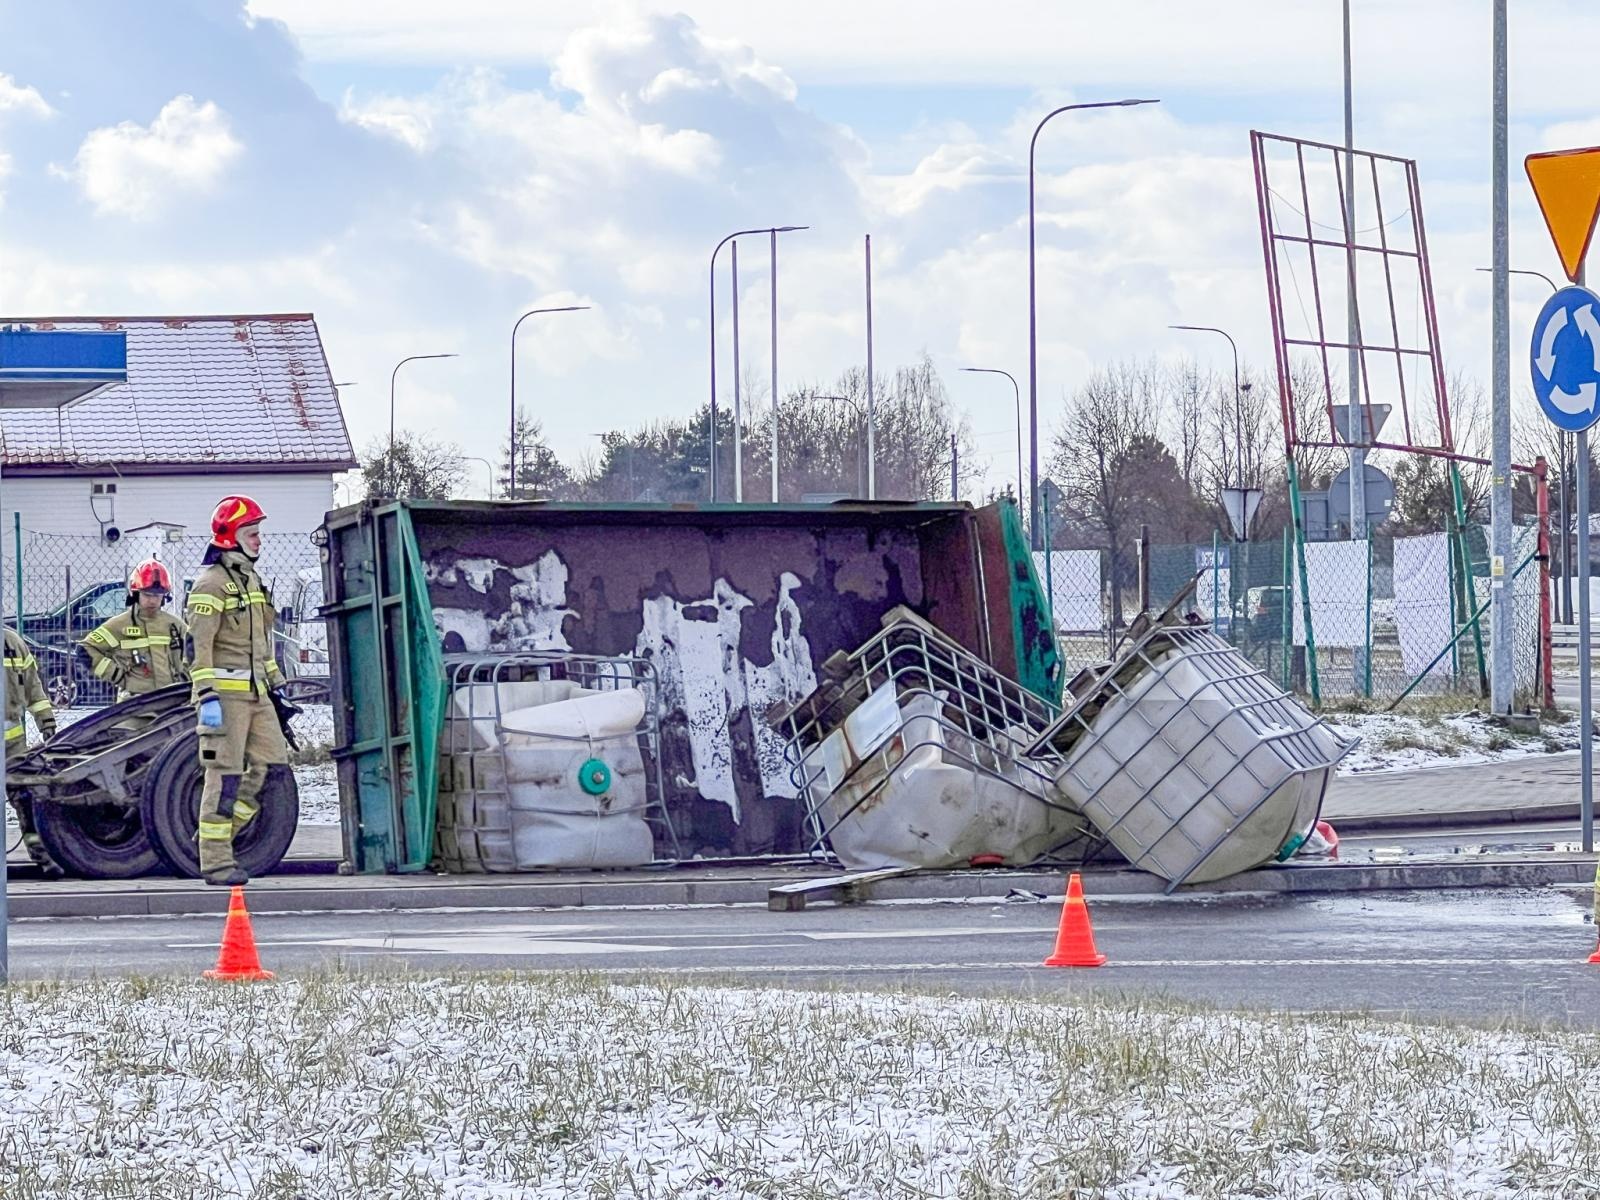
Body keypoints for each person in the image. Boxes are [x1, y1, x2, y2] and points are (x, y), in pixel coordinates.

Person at [186, 495, 291, 886]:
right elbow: (197, 648)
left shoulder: (251, 581)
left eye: (259, 532)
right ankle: (215, 861)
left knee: (273, 769)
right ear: (230, 536)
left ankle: (214, 838)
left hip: (257, 695)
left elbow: (260, 644)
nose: (260, 540)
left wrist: (276, 686)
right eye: (252, 533)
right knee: (225, 777)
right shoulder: (210, 584)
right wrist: (206, 695)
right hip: (224, 699)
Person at [80, 560, 190, 699]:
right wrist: (117, 676)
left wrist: (184, 679)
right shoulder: (120, 625)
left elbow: (196, 654)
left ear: (164, 596)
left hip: (172, 700)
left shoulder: (175, 625)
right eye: (147, 594)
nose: (152, 600)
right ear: (136, 593)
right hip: (133, 703)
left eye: (157, 595)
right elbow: (85, 649)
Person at [4, 626, 59, 876]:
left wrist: (46, 722)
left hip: (13, 744)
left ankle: (41, 856)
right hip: (12, 742)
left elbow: (33, 688)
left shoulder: (13, 643)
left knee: (25, 799)